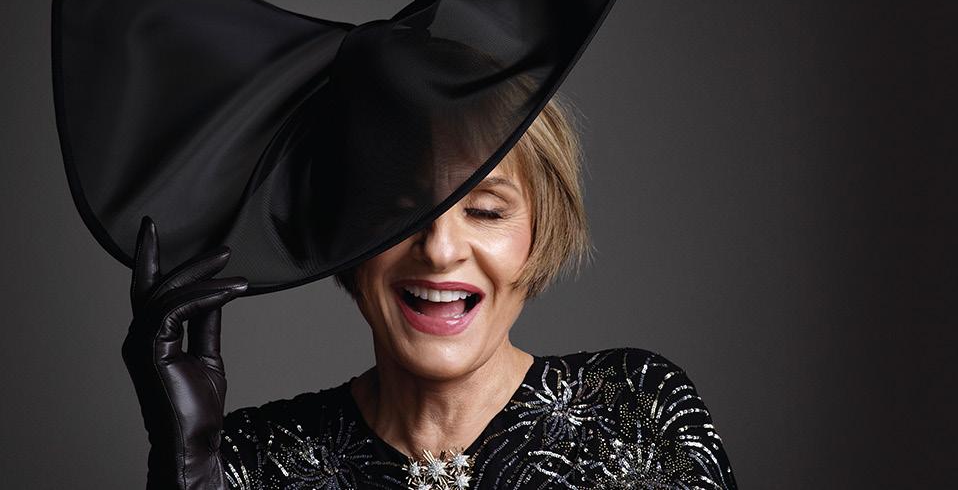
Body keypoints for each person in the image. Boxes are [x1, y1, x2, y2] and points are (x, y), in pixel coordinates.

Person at [121, 94, 737, 489]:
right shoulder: (248, 461)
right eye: (400, 211)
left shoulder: (640, 411)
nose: (440, 250)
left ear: (539, 231)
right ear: (347, 241)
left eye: (486, 211)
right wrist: (182, 473)